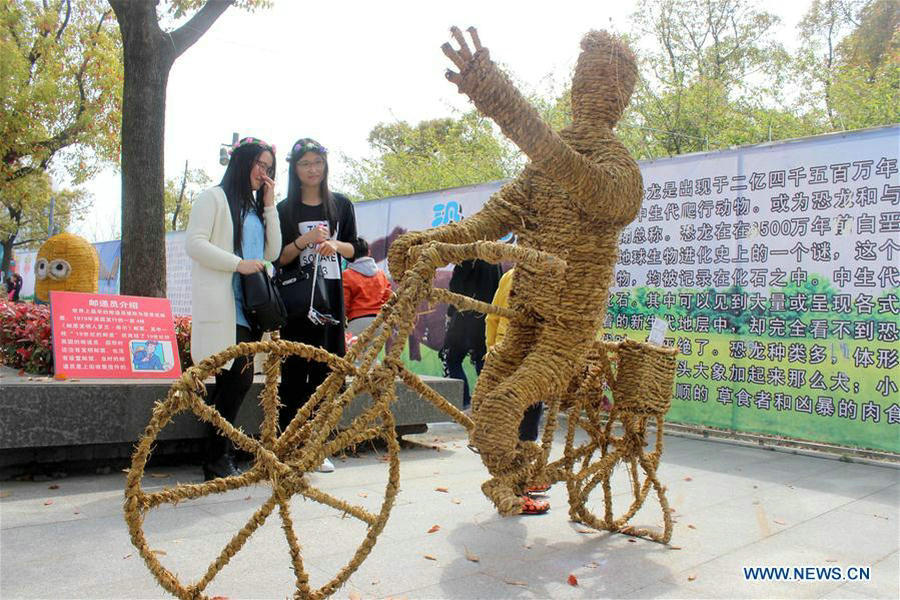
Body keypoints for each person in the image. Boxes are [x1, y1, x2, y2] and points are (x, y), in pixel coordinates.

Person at [185, 137, 281, 481]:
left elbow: (272, 251)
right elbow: (194, 244)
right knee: (236, 380)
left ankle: (217, 453)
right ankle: (217, 455)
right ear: (241, 162)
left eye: (269, 168)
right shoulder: (213, 198)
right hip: (225, 305)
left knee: (233, 382)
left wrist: (269, 206)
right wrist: (237, 263)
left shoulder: (256, 208)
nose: (264, 172)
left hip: (252, 307)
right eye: (259, 164)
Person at [276, 138, 366, 473]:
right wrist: (304, 241)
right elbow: (278, 258)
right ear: (295, 169)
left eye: (318, 162)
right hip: (298, 302)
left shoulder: (341, 205)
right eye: (305, 163)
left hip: (330, 298)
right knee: (295, 371)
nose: (313, 169)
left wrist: (335, 244)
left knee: (329, 372)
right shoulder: (284, 209)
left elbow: (358, 247)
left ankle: (317, 446)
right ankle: (289, 444)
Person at [440, 259, 502, 409]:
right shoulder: (495, 260)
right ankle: (487, 404)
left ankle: (463, 402)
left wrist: (450, 313)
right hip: (487, 319)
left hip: (465, 319)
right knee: (483, 361)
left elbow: (456, 290)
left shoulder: (468, 257)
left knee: (453, 359)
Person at [342, 251, 392, 336]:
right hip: (379, 322)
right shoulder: (381, 274)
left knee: (353, 349)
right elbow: (389, 298)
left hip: (356, 322)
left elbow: (344, 304)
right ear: (368, 252)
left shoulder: (347, 274)